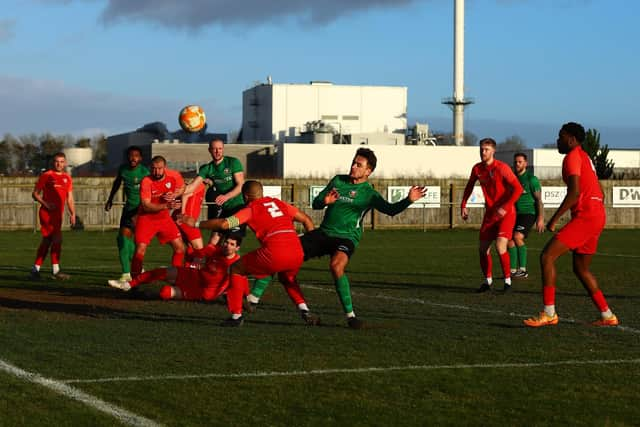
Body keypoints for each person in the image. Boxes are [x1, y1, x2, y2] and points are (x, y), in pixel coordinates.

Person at [300, 148, 426, 329]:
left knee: (336, 266)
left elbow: (390, 210)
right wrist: (324, 202)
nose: (353, 166)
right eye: (353, 162)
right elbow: (316, 203)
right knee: (285, 252)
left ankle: (350, 317)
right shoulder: (338, 180)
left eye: (359, 165)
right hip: (324, 233)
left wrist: (409, 200)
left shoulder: (369, 193)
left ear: (368, 171)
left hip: (347, 237)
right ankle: (253, 298)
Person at [181, 180, 317, 327]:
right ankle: (304, 309)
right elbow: (306, 219)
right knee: (287, 278)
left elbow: (224, 224)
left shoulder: (251, 209)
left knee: (236, 269)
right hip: (297, 250)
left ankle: (236, 316)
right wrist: (310, 244)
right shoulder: (279, 203)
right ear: (262, 193)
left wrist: (195, 223)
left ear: (245, 197)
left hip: (275, 251)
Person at [524, 122, 618, 327]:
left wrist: (554, 218)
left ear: (572, 139)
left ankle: (549, 313)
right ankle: (607, 315)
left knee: (547, 256)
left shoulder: (573, 156)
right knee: (580, 268)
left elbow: (574, 192)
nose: (558, 140)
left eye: (561, 136)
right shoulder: (584, 156)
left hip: (587, 216)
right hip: (596, 214)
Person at [461, 138, 523, 292]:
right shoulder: (477, 169)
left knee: (500, 245)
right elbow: (469, 186)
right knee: (482, 249)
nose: (483, 152)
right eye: (481, 149)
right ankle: (487, 282)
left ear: (494, 151)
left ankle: (507, 281)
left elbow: (518, 189)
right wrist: (463, 205)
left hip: (507, 213)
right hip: (490, 214)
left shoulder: (501, 168)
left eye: (487, 149)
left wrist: (505, 207)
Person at [108, 234, 242, 301]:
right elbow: (195, 253)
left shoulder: (237, 263)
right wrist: (189, 249)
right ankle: (128, 284)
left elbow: (238, 284)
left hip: (202, 291)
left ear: (237, 248)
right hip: (194, 275)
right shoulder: (213, 250)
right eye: (226, 242)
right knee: (161, 271)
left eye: (231, 244)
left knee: (165, 292)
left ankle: (150, 294)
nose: (227, 246)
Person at [183, 138, 244, 245]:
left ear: (223, 149)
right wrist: (178, 189)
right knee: (213, 242)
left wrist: (226, 196)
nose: (217, 151)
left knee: (231, 241)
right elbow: (191, 187)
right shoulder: (207, 168)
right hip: (223, 210)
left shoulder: (233, 162)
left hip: (238, 209)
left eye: (220, 148)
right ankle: (210, 262)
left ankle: (234, 261)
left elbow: (240, 185)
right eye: (214, 149)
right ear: (209, 150)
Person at [131, 156, 185, 276]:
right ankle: (134, 284)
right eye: (154, 169)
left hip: (164, 219)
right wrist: (167, 205)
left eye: (159, 168)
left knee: (180, 248)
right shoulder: (146, 181)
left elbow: (182, 187)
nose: (156, 172)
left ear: (164, 168)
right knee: (140, 249)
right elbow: (146, 206)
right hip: (146, 219)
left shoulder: (173, 177)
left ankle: (176, 278)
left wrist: (175, 195)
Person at [104, 146, 150, 281]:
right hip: (128, 209)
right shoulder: (123, 169)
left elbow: (150, 193)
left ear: (140, 158)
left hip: (142, 211)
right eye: (131, 155)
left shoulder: (145, 173)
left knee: (133, 242)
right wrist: (110, 199)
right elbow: (117, 182)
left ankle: (136, 268)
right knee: (122, 240)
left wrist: (141, 211)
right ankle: (127, 274)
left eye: (136, 155)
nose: (133, 158)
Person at [30, 152, 76, 280]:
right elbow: (35, 194)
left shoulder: (68, 178)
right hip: (47, 213)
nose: (59, 164)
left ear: (65, 163)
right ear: (53, 162)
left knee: (47, 241)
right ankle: (56, 271)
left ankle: (35, 270)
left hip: (58, 215)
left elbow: (70, 199)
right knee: (57, 239)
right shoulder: (47, 175)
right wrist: (46, 204)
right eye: (57, 161)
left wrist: (73, 213)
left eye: (61, 161)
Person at [507, 152, 544, 279]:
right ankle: (512, 271)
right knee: (509, 240)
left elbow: (539, 200)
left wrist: (540, 218)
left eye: (520, 162)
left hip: (529, 213)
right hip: (514, 214)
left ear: (526, 163)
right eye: (515, 162)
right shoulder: (513, 178)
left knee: (517, 237)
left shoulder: (531, 179)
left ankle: (522, 270)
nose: (517, 164)